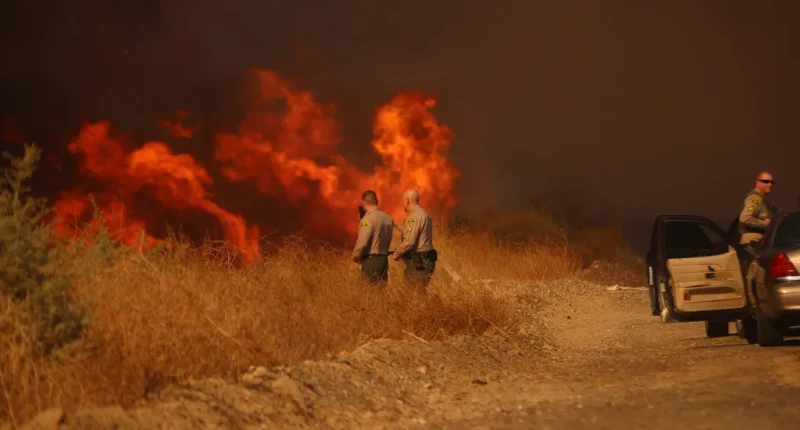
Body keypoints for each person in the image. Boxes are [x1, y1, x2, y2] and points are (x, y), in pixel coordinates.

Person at [392, 189, 437, 288]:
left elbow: (410, 241)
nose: (401, 203)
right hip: (426, 261)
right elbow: (413, 233)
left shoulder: (414, 217)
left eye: (402, 200)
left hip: (419, 264)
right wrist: (396, 225)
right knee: (419, 293)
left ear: (408, 200)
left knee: (412, 294)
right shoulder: (422, 214)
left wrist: (397, 253)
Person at [352, 190, 395, 285]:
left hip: (371, 262)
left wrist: (355, 256)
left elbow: (362, 242)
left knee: (368, 294)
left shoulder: (367, 219)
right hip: (384, 261)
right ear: (377, 202)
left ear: (364, 203)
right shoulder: (388, 218)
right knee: (380, 292)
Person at [738, 171, 777, 259]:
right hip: (753, 243)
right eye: (766, 182)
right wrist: (767, 224)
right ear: (758, 182)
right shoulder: (755, 199)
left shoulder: (761, 200)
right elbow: (745, 218)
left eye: (772, 182)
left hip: (757, 243)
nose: (770, 185)